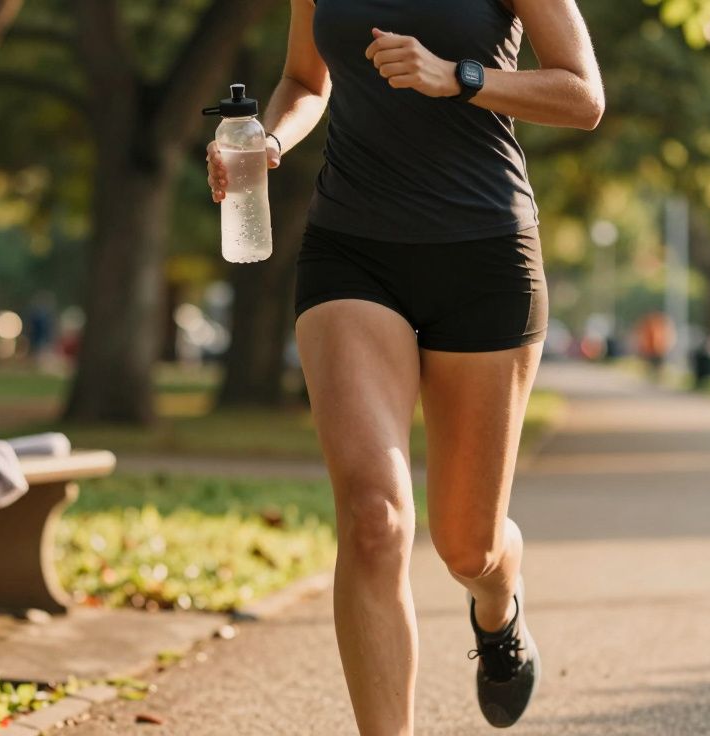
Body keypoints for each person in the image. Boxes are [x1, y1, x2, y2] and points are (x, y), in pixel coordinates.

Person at [206, 1, 603, 731]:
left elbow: (583, 95)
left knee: (468, 547)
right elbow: (305, 79)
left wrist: (460, 76)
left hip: (485, 255)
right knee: (374, 517)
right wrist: (271, 138)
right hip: (352, 250)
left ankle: (498, 603)